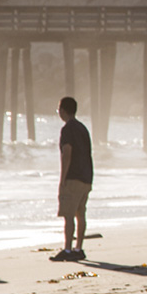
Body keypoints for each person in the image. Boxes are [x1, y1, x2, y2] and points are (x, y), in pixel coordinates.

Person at [54, 96, 93, 261]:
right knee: (80, 213)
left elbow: (67, 153)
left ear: (63, 110)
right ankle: (78, 248)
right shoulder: (82, 128)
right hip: (86, 176)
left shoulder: (67, 129)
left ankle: (68, 249)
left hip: (74, 177)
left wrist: (62, 178)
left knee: (69, 215)